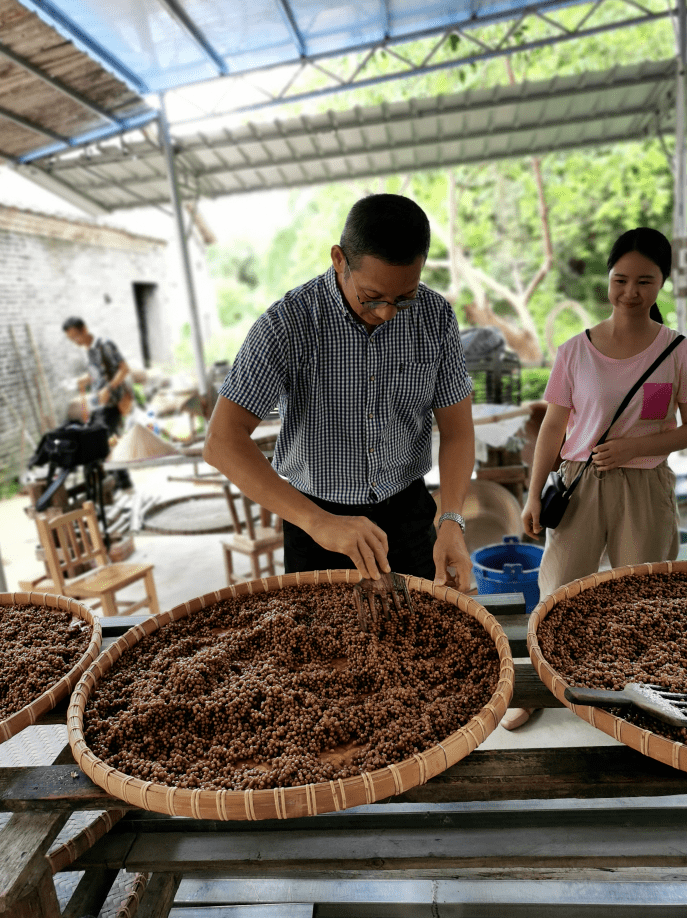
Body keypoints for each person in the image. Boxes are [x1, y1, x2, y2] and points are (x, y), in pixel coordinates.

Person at [203, 193, 475, 588]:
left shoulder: (435, 317)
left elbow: (457, 430)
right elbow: (221, 441)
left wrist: (451, 519)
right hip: (315, 524)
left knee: (418, 639)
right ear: (338, 260)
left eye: (404, 298)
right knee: (324, 645)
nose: (386, 313)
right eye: (372, 297)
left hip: (408, 516)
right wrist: (317, 521)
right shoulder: (287, 326)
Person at [505, 227, 687, 731]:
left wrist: (637, 447)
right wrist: (532, 494)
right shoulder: (575, 351)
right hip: (578, 483)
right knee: (560, 587)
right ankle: (540, 688)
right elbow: (553, 427)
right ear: (608, 279)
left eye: (644, 281)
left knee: (645, 600)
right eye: (620, 279)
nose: (630, 292)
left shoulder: (677, 351)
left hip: (644, 489)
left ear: (662, 284)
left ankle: (646, 697)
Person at [62, 316, 134, 489]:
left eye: (76, 337)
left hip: (112, 403)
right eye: (71, 339)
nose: (75, 342)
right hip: (99, 404)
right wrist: (83, 380)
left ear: (84, 329)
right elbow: (98, 374)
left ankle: (122, 485)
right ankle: (119, 483)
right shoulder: (89, 350)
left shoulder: (104, 344)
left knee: (103, 442)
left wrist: (108, 389)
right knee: (103, 442)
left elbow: (124, 369)